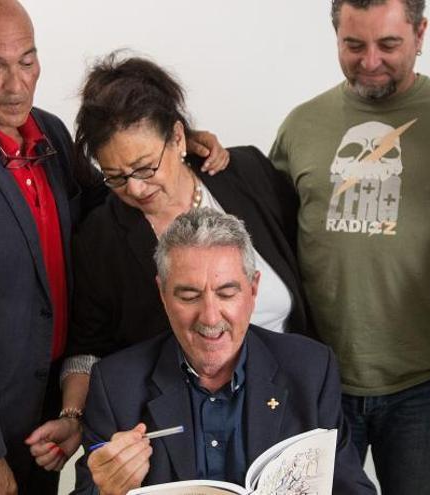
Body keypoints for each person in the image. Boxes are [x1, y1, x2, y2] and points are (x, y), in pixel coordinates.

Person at [0, 1, 227, 493]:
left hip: (38, 430)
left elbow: (113, 202)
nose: (16, 84)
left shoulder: (52, 137)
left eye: (27, 60)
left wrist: (180, 150)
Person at [24, 53, 315, 471]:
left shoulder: (246, 172)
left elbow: (305, 267)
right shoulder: (101, 237)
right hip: (180, 439)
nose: (136, 188)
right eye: (116, 176)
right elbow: (87, 349)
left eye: (145, 167)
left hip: (286, 412)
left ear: (179, 138)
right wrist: (73, 416)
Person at [268, 1, 430, 493]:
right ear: (335, 35)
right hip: (321, 377)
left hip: (426, 377)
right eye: (353, 45)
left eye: (388, 44)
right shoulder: (302, 124)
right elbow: (267, 232)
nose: (370, 61)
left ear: (421, 33)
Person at [70, 208, 376, 495]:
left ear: (253, 290)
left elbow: (351, 488)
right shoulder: (115, 384)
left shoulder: (310, 369)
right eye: (189, 296)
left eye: (227, 293)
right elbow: (87, 488)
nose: (210, 317)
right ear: (162, 294)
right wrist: (106, 490)